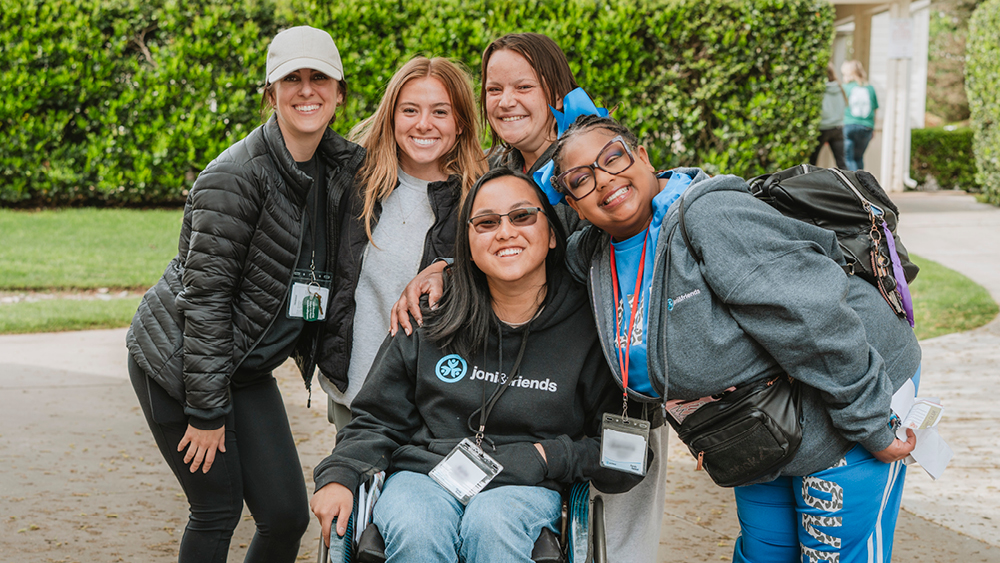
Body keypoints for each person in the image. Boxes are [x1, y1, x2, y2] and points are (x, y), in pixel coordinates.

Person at [550, 115, 922, 563]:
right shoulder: (590, 256)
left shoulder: (710, 216)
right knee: (764, 555)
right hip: (757, 433)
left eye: (613, 157)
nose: (605, 179)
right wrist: (452, 269)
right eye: (581, 179)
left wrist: (872, 424)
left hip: (843, 407)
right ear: (572, 202)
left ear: (642, 156)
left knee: (832, 556)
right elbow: (522, 256)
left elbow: (814, 320)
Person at [310, 168, 643, 562]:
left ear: (552, 234)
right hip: (424, 475)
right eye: (486, 222)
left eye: (522, 217)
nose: (505, 232)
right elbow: (376, 419)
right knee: (416, 523)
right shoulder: (430, 313)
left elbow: (628, 454)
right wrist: (340, 473)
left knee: (493, 522)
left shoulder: (594, 326)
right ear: (467, 243)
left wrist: (546, 456)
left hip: (525, 486)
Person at [125, 26, 362, 562]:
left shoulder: (340, 167)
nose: (306, 90)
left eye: (319, 78)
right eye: (291, 80)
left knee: (284, 516)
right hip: (181, 364)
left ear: (340, 92)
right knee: (217, 510)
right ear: (270, 93)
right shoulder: (234, 177)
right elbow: (204, 301)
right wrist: (207, 414)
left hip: (244, 369)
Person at [315, 56, 486, 429]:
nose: (423, 124)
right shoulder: (353, 185)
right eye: (410, 110)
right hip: (354, 395)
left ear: (460, 124)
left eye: (440, 111)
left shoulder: (482, 200)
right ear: (392, 117)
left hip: (432, 408)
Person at [841, 60, 879, 171]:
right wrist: (873, 128)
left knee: (849, 159)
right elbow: (875, 109)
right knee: (858, 158)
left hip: (849, 125)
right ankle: (862, 185)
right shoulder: (870, 88)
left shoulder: (845, 87)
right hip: (866, 127)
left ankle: (853, 186)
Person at [810, 62, 847, 169]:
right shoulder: (839, 87)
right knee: (841, 163)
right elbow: (843, 107)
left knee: (812, 162)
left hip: (823, 128)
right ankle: (848, 184)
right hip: (838, 128)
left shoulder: (819, 89)